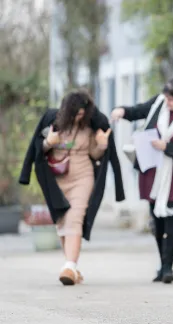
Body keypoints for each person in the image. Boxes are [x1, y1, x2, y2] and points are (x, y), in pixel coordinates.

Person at [19, 89, 125, 285]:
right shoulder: (53, 123)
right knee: (62, 221)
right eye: (76, 113)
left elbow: (94, 155)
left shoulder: (89, 127)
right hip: (57, 179)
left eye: (83, 113)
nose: (79, 117)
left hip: (82, 177)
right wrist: (48, 143)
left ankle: (69, 265)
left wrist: (101, 146)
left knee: (75, 219)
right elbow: (37, 149)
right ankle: (72, 269)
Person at [111, 75, 173, 284]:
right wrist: (122, 111)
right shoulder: (157, 105)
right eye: (166, 98)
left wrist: (167, 147)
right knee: (158, 222)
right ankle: (163, 263)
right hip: (153, 174)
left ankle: (167, 268)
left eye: (172, 99)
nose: (168, 102)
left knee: (172, 221)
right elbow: (137, 111)